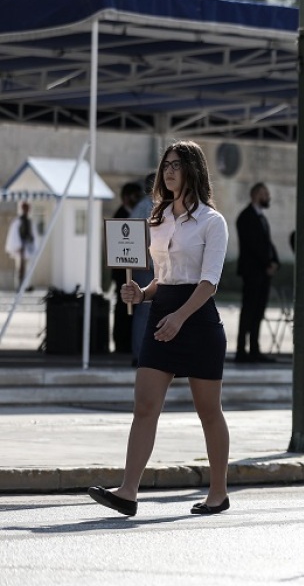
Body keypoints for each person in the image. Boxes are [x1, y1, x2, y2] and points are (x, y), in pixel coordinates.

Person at [88, 140, 231, 517]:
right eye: (166, 165)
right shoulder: (157, 217)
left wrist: (180, 317)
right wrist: (141, 293)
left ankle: (219, 492)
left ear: (193, 171)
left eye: (177, 165)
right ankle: (128, 491)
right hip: (162, 314)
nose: (168, 171)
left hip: (197, 320)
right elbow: (163, 278)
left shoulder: (212, 221)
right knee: (144, 405)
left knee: (209, 411)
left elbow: (209, 281)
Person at [235, 182, 279, 363]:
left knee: (258, 311)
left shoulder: (261, 218)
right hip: (253, 272)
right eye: (264, 193)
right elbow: (253, 245)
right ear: (255, 195)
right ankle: (241, 350)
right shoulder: (246, 217)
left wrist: (275, 262)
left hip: (263, 272)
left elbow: (268, 244)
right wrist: (268, 262)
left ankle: (254, 348)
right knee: (249, 310)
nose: (268, 197)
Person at [111, 182, 144, 354]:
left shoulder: (134, 212)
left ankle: (128, 341)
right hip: (122, 270)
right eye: (135, 196)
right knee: (123, 307)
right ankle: (121, 342)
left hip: (133, 268)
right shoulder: (121, 215)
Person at [128, 174, 157, 367]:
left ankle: (143, 352)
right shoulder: (149, 207)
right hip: (148, 266)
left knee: (145, 311)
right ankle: (140, 353)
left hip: (145, 265)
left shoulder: (142, 206)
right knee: (145, 311)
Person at [5, 201, 38, 290]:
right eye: (25, 208)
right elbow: (14, 234)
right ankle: (19, 285)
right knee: (20, 267)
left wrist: (32, 242)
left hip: (28, 247)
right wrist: (18, 246)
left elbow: (31, 234)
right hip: (20, 247)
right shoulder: (18, 221)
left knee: (28, 267)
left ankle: (26, 285)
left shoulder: (29, 221)